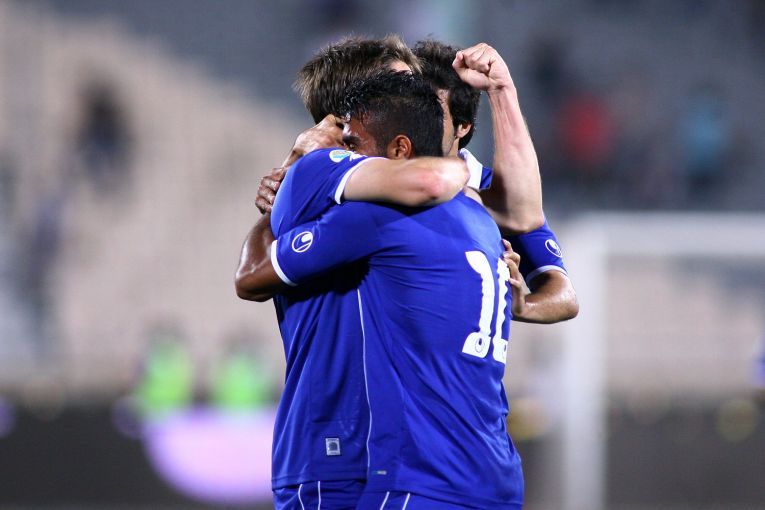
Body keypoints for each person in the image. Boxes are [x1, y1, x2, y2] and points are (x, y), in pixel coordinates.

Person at [239, 70, 524, 509]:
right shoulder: (482, 222)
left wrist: (289, 180)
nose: (347, 156)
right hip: (497, 475)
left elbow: (252, 275)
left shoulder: (377, 217)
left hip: (419, 476)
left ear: (399, 151)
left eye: (353, 145)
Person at [413, 39, 578, 323]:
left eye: (432, 113)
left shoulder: (498, 193)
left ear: (462, 125)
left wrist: (520, 306)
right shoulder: (381, 171)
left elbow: (564, 296)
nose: (417, 124)